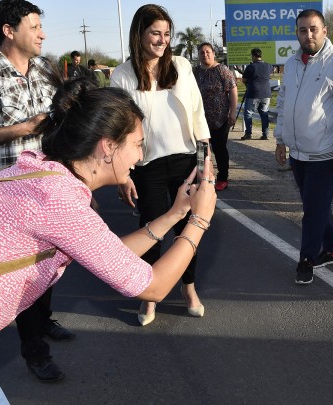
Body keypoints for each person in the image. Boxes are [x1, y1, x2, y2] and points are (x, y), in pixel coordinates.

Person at [0, 77, 217, 404]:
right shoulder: (59, 202)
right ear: (107, 146)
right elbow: (153, 286)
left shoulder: (43, 173)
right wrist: (199, 220)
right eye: (138, 143)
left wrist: (175, 213)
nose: (141, 156)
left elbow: (114, 257)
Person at [0, 0, 70, 383]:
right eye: (35, 26)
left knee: (51, 262)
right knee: (23, 273)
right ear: (9, 30)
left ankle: (43, 320)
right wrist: (23, 128)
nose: (43, 34)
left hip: (50, 186)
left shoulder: (44, 71)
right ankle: (35, 351)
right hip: (8, 194)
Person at [111, 4, 211, 326]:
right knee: (153, 230)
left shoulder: (181, 66)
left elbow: (197, 113)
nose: (162, 40)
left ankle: (189, 288)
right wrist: (123, 175)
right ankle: (149, 294)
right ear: (139, 33)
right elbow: (118, 129)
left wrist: (207, 158)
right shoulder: (122, 75)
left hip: (185, 162)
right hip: (146, 167)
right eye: (155, 33)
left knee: (187, 229)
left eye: (167, 34)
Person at [274, 9, 333, 284]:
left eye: (313, 29)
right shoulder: (291, 64)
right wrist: (280, 139)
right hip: (298, 153)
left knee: (312, 210)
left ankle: (307, 259)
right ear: (297, 33)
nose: (308, 34)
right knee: (317, 205)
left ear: (324, 30)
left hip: (325, 154)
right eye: (303, 30)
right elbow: (283, 104)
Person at [194, 42, 238, 191]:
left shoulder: (222, 70)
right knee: (201, 149)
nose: (205, 55)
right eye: (202, 53)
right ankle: (204, 177)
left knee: (219, 149)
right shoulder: (196, 72)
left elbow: (233, 90)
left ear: (213, 53)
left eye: (207, 52)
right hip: (200, 119)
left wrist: (232, 112)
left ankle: (223, 177)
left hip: (220, 119)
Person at [241, 48, 272, 140]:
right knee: (264, 113)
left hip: (253, 93)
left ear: (254, 56)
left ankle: (248, 133)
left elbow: (244, 80)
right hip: (266, 93)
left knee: (248, 113)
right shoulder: (269, 66)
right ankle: (265, 134)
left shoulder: (251, 66)